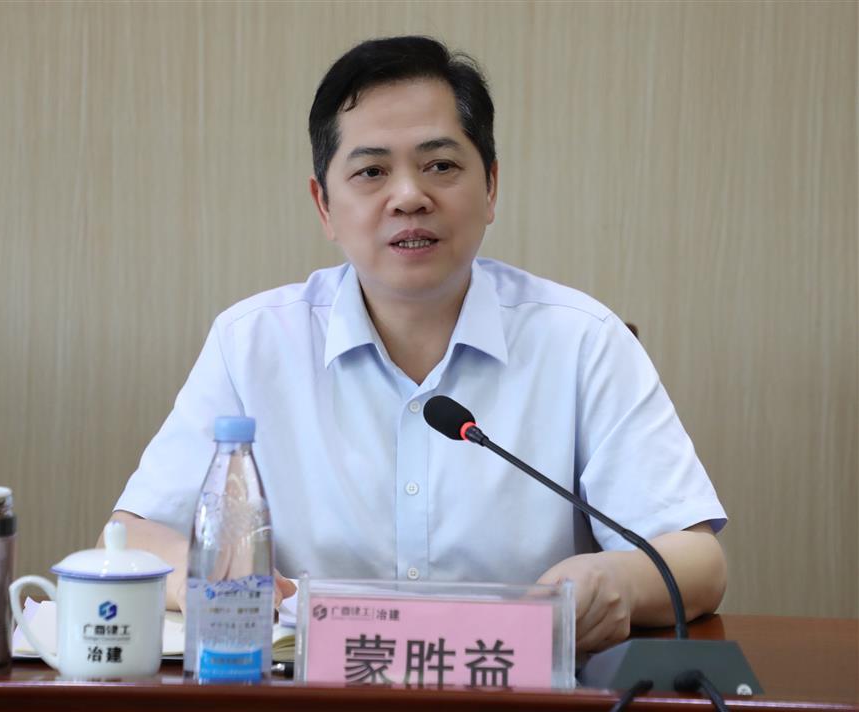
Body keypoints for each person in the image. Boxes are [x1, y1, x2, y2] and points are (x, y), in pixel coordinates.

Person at [105, 36, 727, 653]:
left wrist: (617, 579)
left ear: (491, 187)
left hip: (517, 686)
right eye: (371, 172)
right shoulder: (253, 344)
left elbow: (698, 561)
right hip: (312, 691)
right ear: (324, 205)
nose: (409, 197)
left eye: (441, 166)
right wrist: (210, 579)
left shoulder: (582, 341)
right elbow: (135, 533)